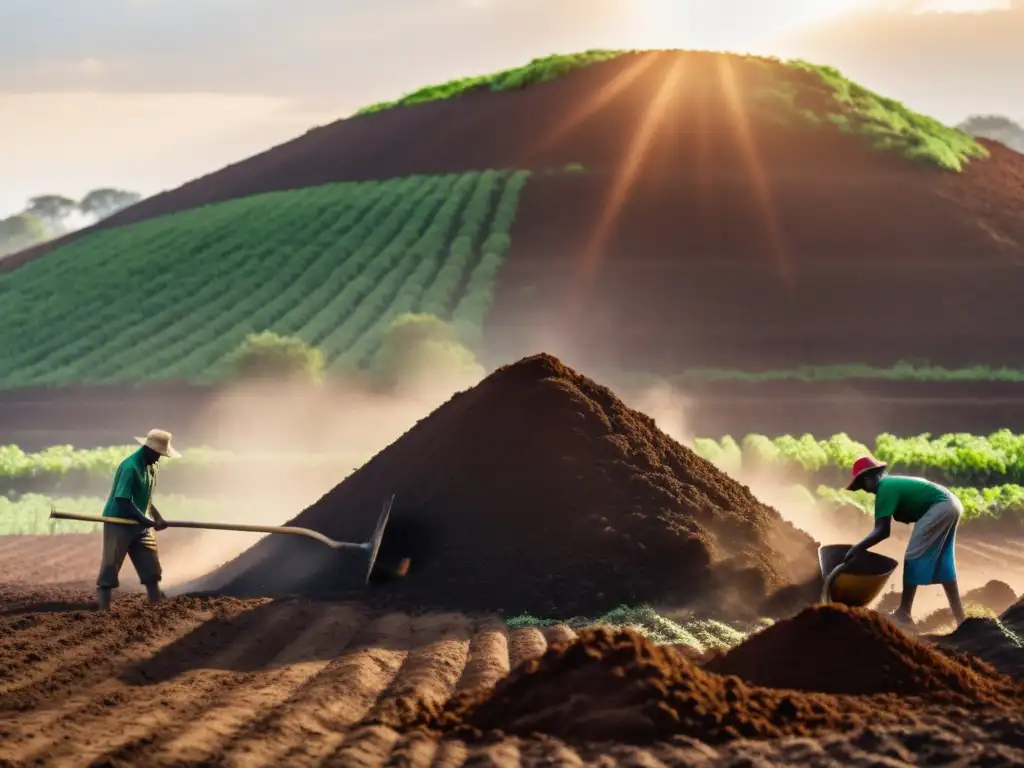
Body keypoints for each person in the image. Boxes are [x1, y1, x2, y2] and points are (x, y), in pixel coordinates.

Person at [841, 456, 966, 628]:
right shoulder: (891, 484)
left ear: (868, 478)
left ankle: (904, 613)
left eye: (862, 486)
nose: (865, 490)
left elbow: (882, 530)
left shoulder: (885, 488)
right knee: (943, 562)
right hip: (952, 504)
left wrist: (858, 548)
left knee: (912, 556)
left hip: (940, 506)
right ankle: (961, 618)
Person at [96, 428, 180, 611]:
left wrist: (157, 518)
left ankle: (155, 604)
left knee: (151, 567)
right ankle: (103, 611)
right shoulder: (130, 467)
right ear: (148, 449)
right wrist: (146, 520)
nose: (159, 458)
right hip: (119, 522)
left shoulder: (151, 467)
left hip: (141, 524)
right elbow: (123, 500)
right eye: (158, 454)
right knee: (111, 565)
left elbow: (146, 498)